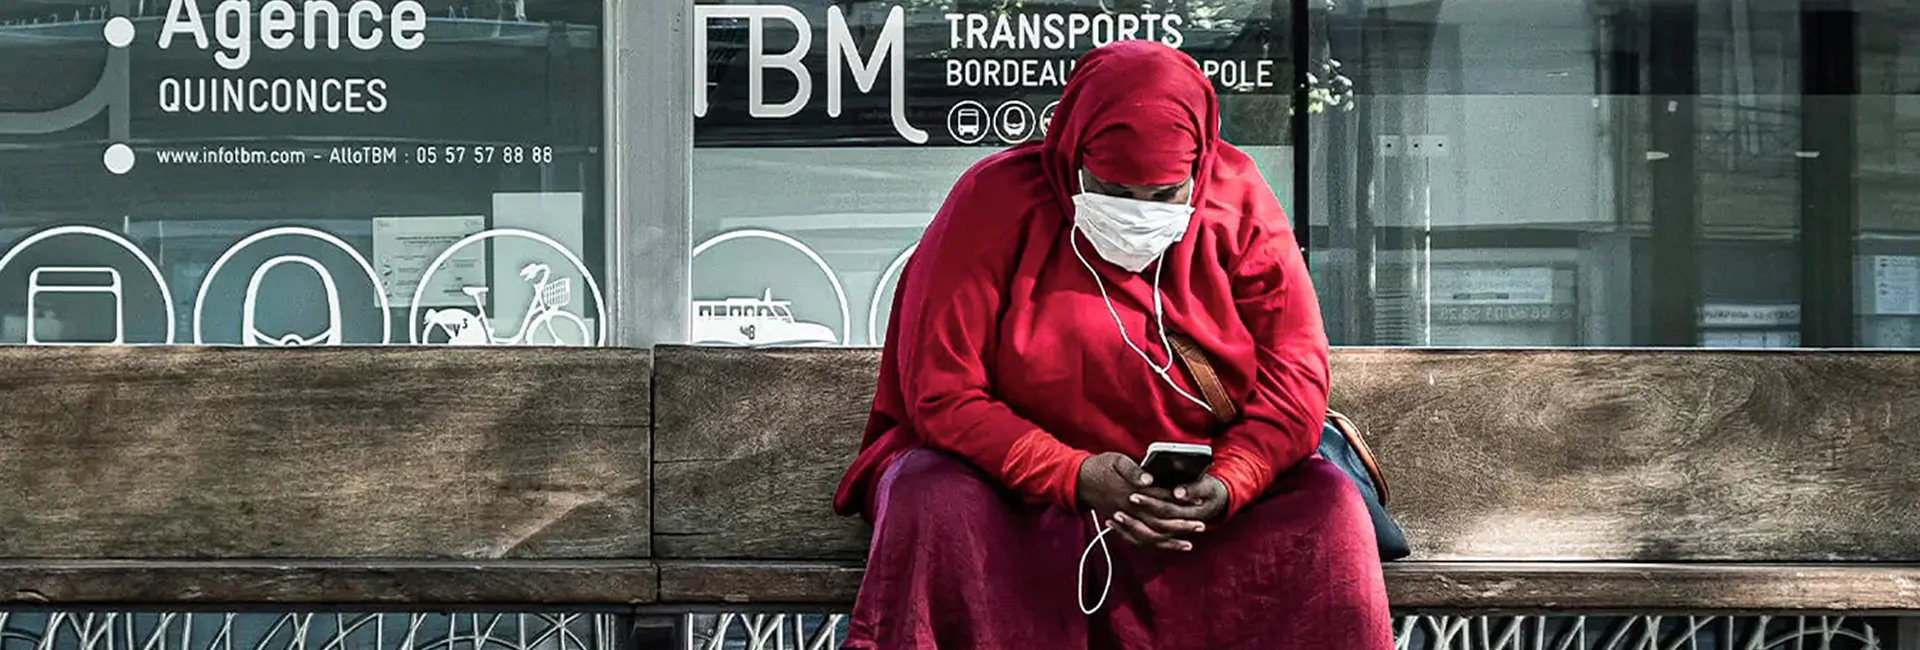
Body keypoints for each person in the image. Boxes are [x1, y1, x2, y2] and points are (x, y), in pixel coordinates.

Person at [832, 40, 1392, 650]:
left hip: (1195, 500)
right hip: (1014, 490)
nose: (1138, 213)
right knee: (929, 496)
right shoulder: (993, 201)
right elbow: (942, 392)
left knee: (1327, 508)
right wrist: (1072, 474)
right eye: (1114, 191)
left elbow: (1296, 386)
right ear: (1073, 154)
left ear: (1198, 169)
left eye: (1164, 195)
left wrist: (1229, 482)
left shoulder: (1238, 202)